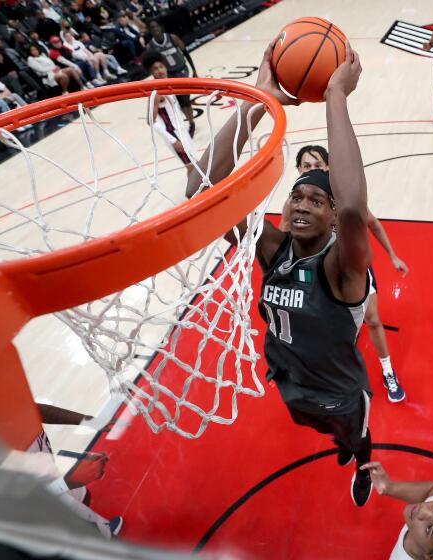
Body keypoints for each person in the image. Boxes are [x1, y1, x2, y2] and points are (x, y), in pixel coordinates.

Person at [187, 41, 377, 507]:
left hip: (341, 392)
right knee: (315, 427)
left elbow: (354, 208)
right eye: (297, 197)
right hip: (291, 386)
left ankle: (361, 459)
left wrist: (336, 97)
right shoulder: (273, 249)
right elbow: (200, 192)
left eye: (317, 201)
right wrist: (257, 100)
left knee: (353, 439)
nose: (302, 205)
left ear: (332, 219)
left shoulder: (341, 268)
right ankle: (339, 442)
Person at [282, 145, 408, 403]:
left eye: (317, 165)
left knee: (372, 320)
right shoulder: (293, 205)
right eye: (306, 166)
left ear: (328, 167)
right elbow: (285, 243)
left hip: (354, 269)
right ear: (298, 170)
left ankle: (387, 370)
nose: (312, 170)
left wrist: (393, 256)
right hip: (321, 275)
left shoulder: (344, 197)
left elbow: (372, 223)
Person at [29, 403, 122, 539]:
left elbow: (33, 409)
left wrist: (90, 421)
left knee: (83, 495)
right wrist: (66, 483)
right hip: (37, 498)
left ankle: (97, 526)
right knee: (102, 538)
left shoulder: (6, 396)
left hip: (46, 474)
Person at [141, 50, 194, 175]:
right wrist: (173, 140)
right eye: (155, 69)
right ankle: (192, 195)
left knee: (195, 165)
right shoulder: (157, 92)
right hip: (173, 135)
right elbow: (150, 121)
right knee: (191, 167)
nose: (160, 70)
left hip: (182, 130)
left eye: (161, 66)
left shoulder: (168, 84)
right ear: (151, 72)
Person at [147, 19, 197, 136]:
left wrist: (194, 69)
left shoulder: (172, 37)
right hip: (168, 75)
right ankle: (188, 122)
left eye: (157, 27)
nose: (155, 30)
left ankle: (191, 123)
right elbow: (152, 64)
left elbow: (185, 52)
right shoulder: (151, 46)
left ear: (161, 28)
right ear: (150, 31)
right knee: (179, 102)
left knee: (185, 99)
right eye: (152, 28)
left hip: (181, 70)